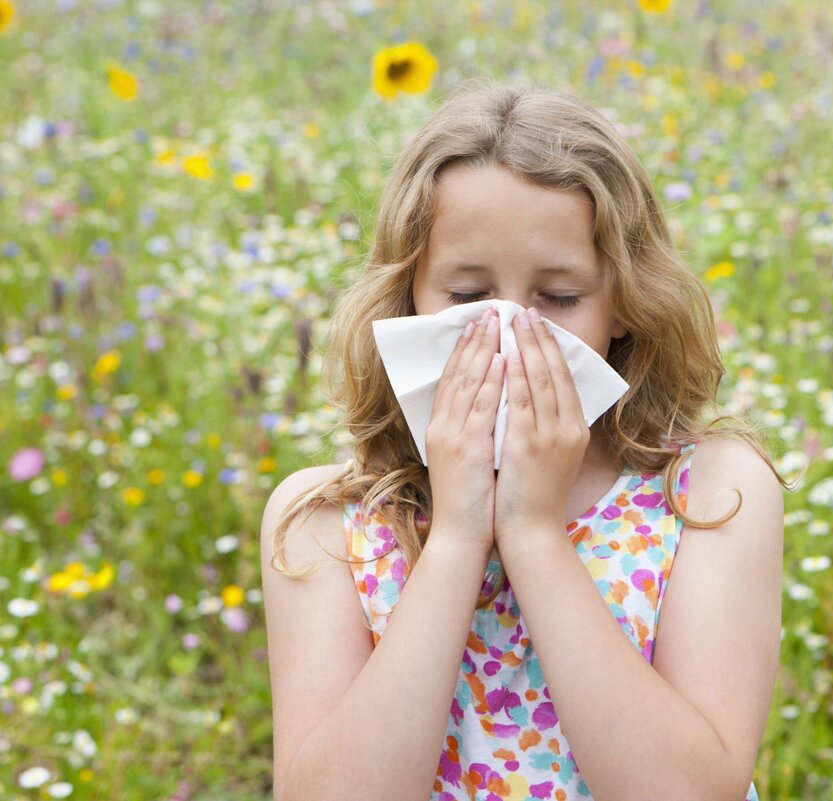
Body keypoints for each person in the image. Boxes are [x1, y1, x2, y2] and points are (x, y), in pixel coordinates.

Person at [259, 77, 790, 801]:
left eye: (560, 297)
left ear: (625, 302)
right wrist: (454, 538)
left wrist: (535, 533)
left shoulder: (710, 493)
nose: (510, 333)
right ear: (408, 293)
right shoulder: (326, 523)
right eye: (469, 296)